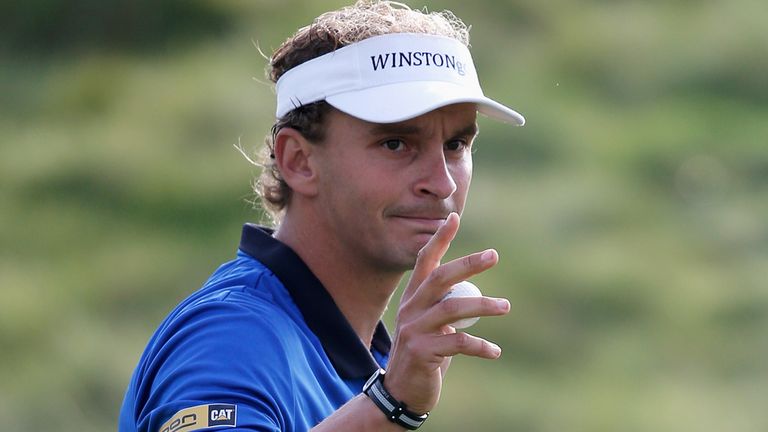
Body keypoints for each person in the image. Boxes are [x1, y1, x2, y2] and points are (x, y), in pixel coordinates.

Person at [119, 1, 525, 431]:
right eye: (395, 143)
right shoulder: (230, 339)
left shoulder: (375, 362)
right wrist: (390, 406)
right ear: (298, 161)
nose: (441, 183)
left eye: (456, 145)